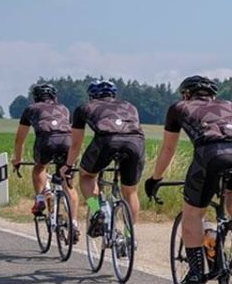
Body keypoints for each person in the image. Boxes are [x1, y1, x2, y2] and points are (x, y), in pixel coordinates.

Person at [145, 75, 232, 284]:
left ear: (186, 94)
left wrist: (156, 178)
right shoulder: (230, 105)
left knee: (193, 214)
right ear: (213, 95)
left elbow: (168, 149)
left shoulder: (179, 107)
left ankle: (196, 273)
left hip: (211, 155)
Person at [64, 80, 146, 237]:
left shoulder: (84, 108)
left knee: (87, 175)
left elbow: (75, 144)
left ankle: (97, 211)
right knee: (130, 191)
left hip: (107, 141)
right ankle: (130, 237)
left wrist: (68, 165)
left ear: (91, 96)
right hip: (136, 143)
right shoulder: (130, 106)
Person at [12, 83, 80, 239]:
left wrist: (18, 159)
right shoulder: (63, 108)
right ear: (54, 97)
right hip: (67, 142)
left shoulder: (31, 109)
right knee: (68, 184)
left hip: (46, 142)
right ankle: (74, 224)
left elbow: (19, 139)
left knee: (39, 168)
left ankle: (41, 199)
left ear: (35, 97)